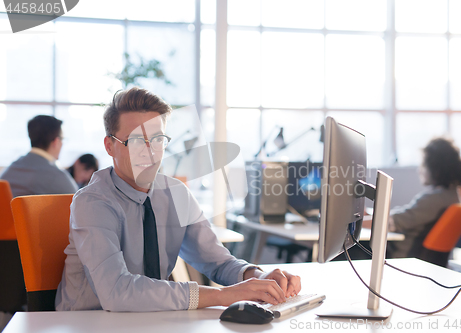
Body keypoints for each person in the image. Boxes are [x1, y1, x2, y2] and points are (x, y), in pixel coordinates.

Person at [55, 87, 301, 311]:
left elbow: (217, 261)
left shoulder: (176, 193)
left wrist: (257, 276)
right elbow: (117, 292)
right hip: (88, 323)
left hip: (152, 321)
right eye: (137, 141)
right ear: (110, 146)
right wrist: (223, 295)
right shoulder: (93, 203)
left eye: (158, 140)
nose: (150, 151)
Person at [385, 138, 461, 258]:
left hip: (400, 258)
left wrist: (359, 219)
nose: (420, 170)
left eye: (423, 164)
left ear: (436, 169)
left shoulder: (433, 199)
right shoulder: (453, 195)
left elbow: (388, 223)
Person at [0, 115, 78, 197]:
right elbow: (79, 205)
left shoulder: (9, 171)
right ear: (56, 142)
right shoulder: (57, 176)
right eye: (62, 139)